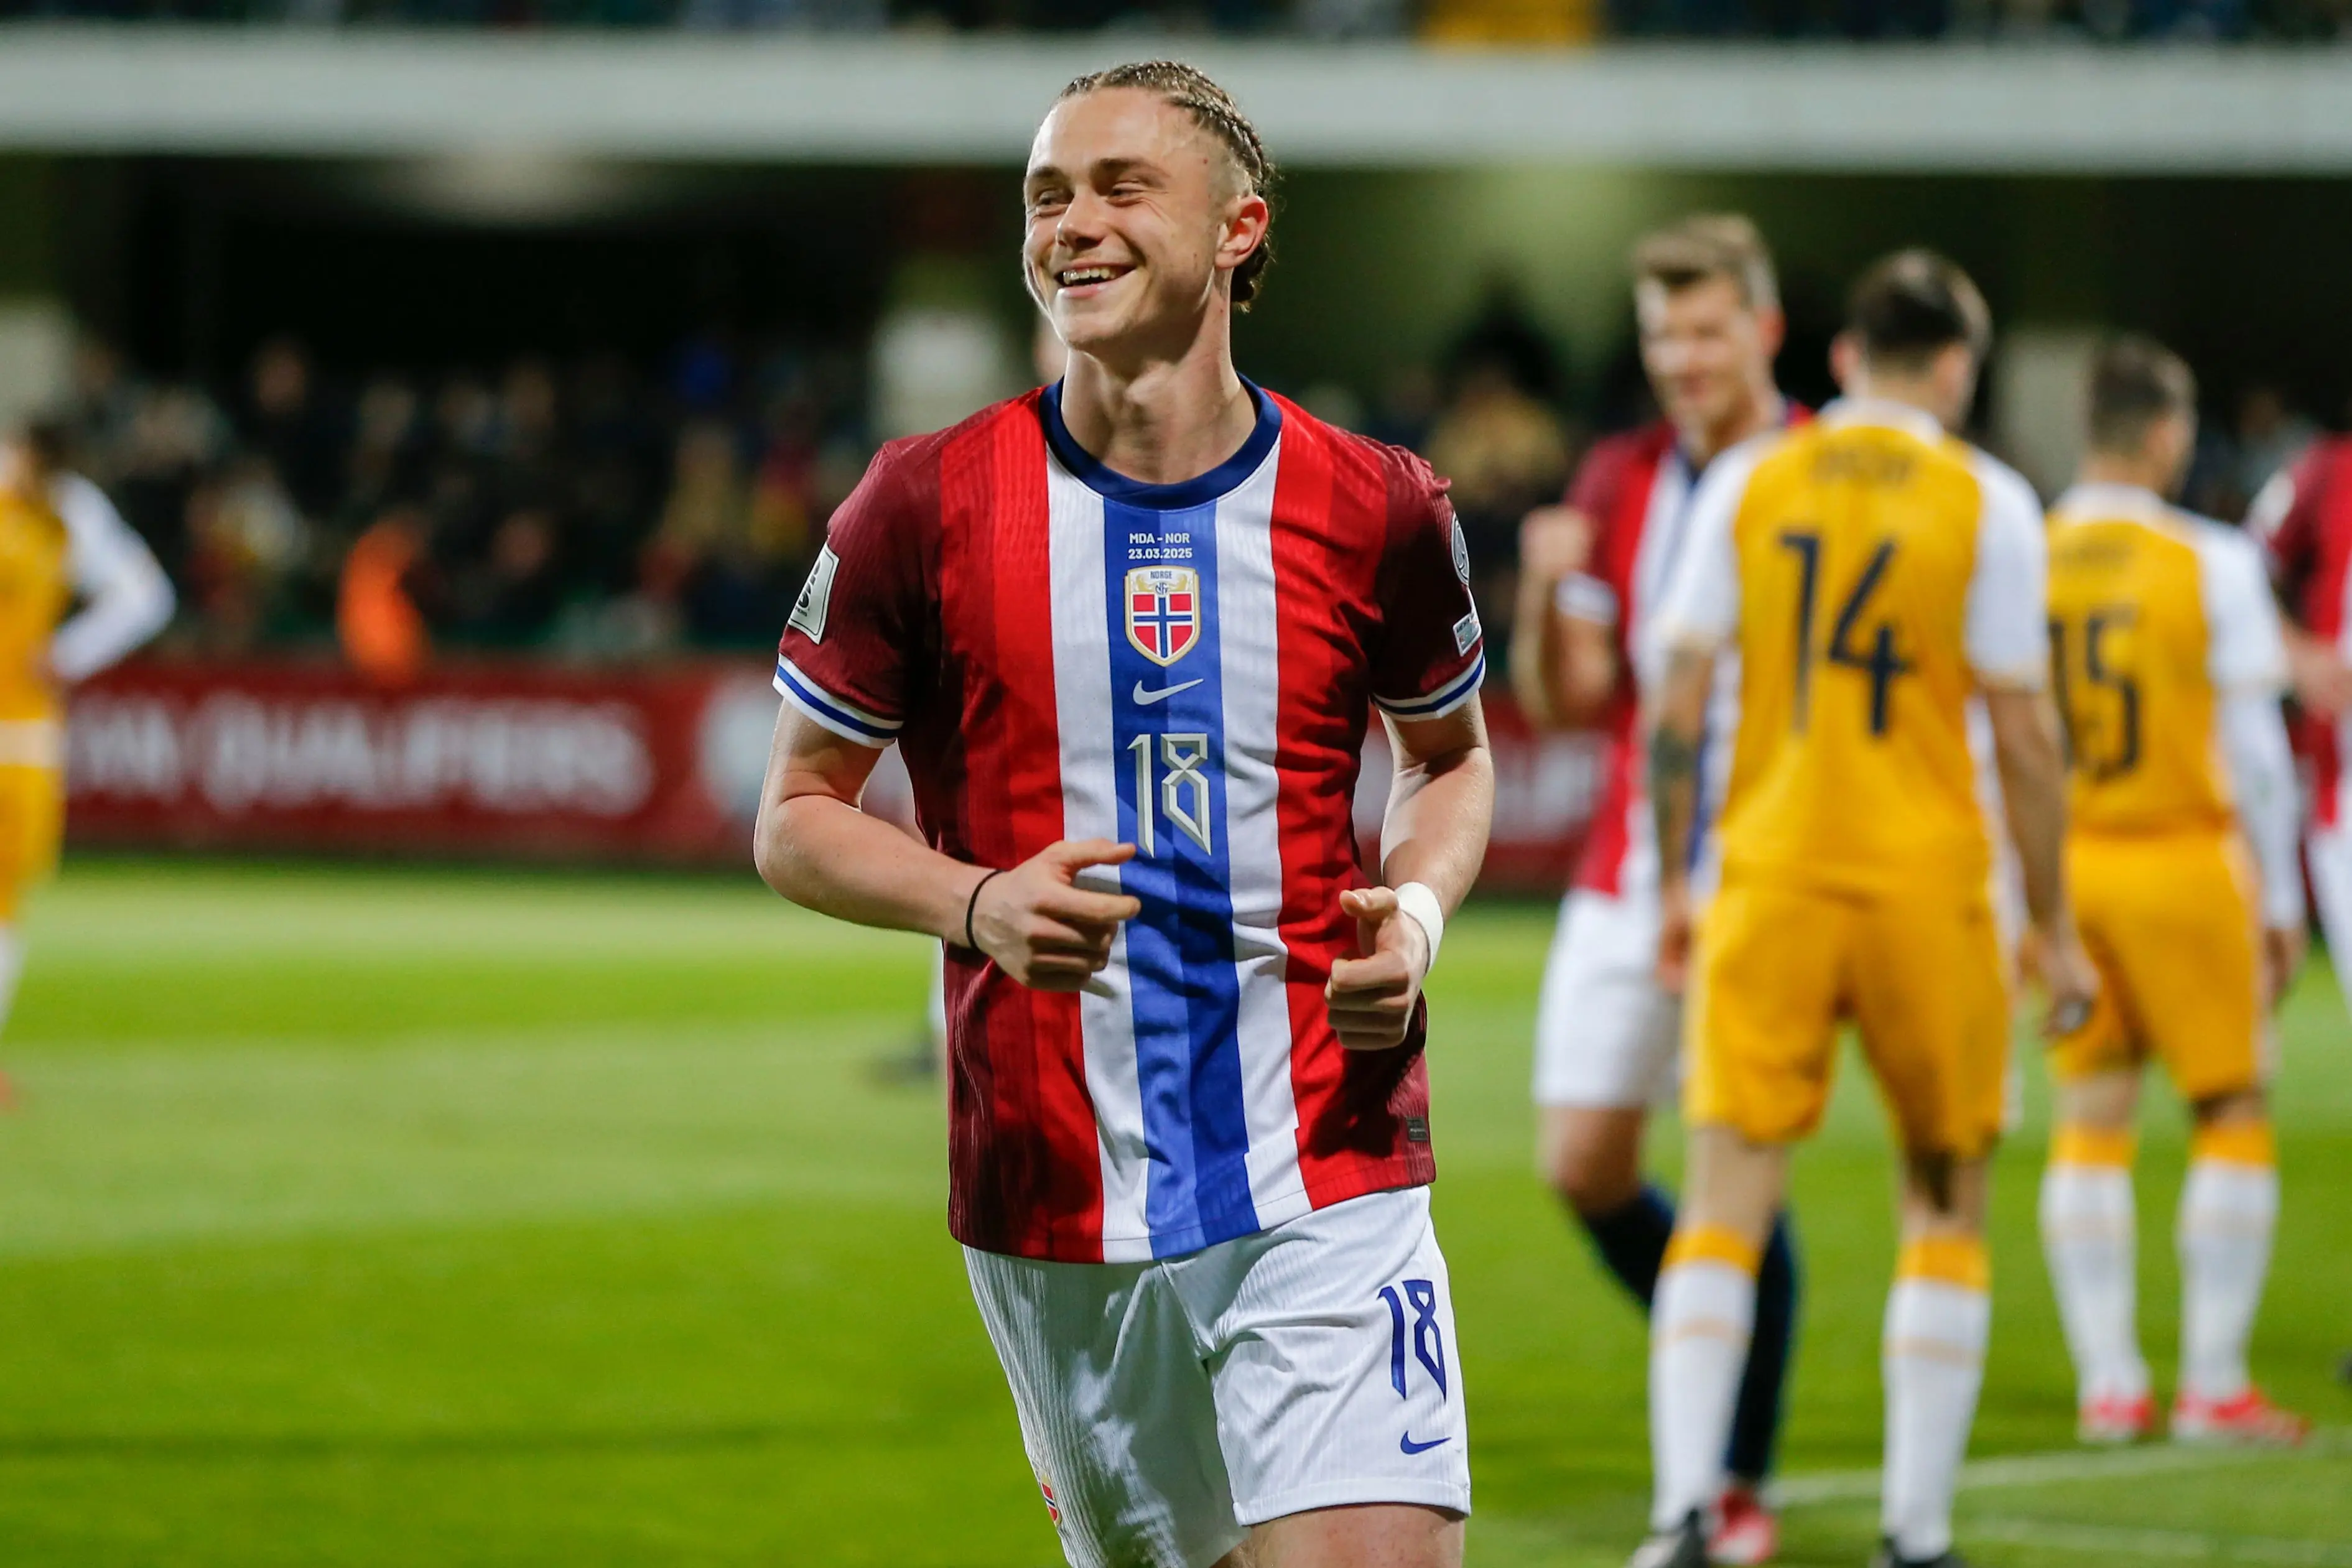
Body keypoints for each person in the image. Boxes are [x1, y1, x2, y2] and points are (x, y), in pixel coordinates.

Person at [753, 62, 1494, 1568]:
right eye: (1046, 196)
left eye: (1117, 188)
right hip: (1053, 1193)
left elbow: (1450, 761)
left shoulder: (1378, 505)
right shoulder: (923, 502)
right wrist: (975, 903)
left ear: (1237, 229)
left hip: (1325, 1152)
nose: (1069, 225)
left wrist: (1414, 917)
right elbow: (795, 813)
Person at [1629, 250, 2098, 1568]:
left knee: (1722, 1197)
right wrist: (2055, 926)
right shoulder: (1987, 499)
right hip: (1927, 885)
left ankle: (1683, 1510)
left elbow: (1677, 698)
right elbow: (2025, 735)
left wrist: (1675, 884)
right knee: (1943, 1200)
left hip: (1770, 869)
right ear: (1955, 367)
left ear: (1842, 359)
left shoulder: (1749, 479)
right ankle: (1915, 1534)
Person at [1509, 213, 1800, 1567]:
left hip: (1771, 869)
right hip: (1631, 866)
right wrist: (1540, 591)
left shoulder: (1816, 468)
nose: (1682, 358)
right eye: (1662, 335)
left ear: (1764, 329)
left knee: (1735, 1168)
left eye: (1705, 330)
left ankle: (1731, 1472)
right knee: (1583, 1162)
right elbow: (1569, 698)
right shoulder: (1621, 475)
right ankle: (1715, 1351)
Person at [2037, 336, 2310, 1449]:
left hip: (2072, 865)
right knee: (2231, 1106)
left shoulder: (2028, 551)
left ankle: (2109, 1383)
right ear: (2163, 433)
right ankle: (2211, 1384)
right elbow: (2255, 752)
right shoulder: (2209, 558)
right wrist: (2280, 899)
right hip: (2183, 856)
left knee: (2090, 1115)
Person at [0, 421, 175, 1051]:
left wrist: (68, 654)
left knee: (5, 897)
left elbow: (146, 597)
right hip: (21, 737)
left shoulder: (68, 510)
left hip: (20, 735)